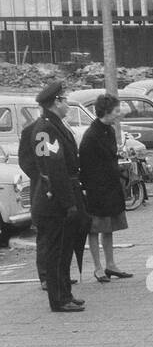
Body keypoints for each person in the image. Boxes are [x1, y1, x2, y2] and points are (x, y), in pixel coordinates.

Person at [18, 79, 87, 312]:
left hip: (59, 195)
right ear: (56, 102)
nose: (67, 102)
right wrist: (67, 201)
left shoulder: (53, 124)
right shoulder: (45, 129)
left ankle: (65, 292)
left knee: (65, 250)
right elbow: (50, 167)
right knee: (57, 252)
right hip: (53, 201)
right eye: (65, 99)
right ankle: (59, 299)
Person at [78, 93, 132, 282]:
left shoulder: (108, 130)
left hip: (110, 187)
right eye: (117, 111)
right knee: (94, 228)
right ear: (107, 112)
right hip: (96, 190)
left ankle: (110, 264)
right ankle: (97, 267)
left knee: (108, 227)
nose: (120, 114)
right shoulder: (91, 135)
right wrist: (89, 188)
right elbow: (84, 166)